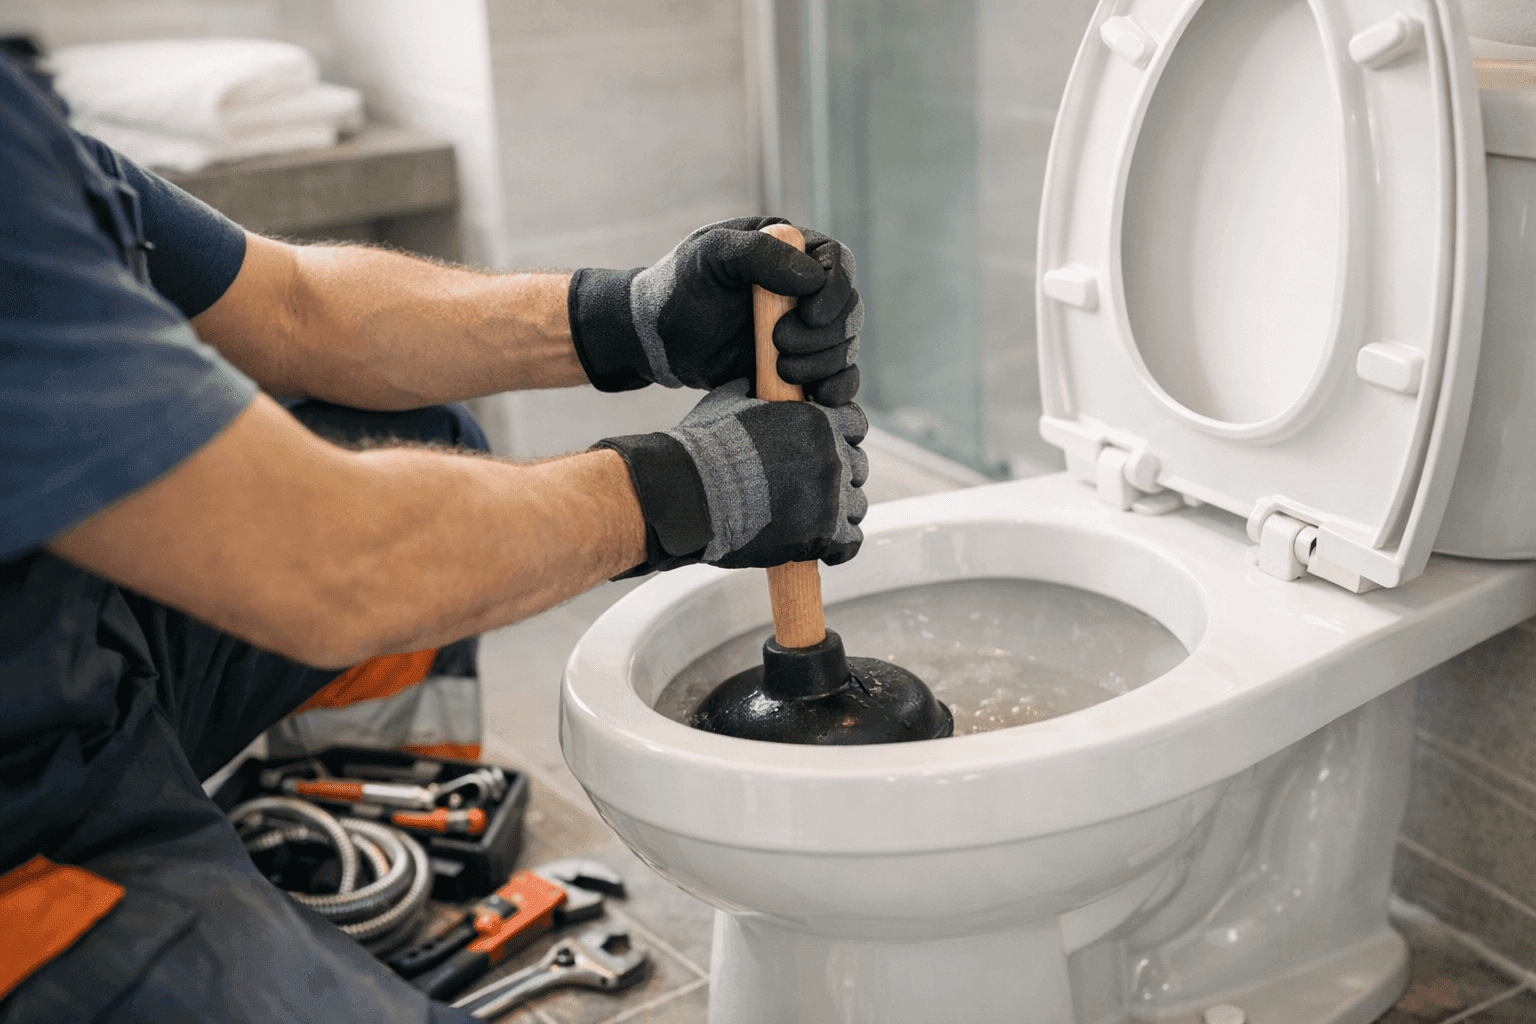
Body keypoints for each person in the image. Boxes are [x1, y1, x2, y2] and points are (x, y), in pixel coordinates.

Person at [0, 47, 867, 1024]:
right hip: (17, 850)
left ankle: (342, 842)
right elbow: (331, 570)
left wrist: (628, 319)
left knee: (420, 440)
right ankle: (216, 929)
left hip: (60, 676)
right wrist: (685, 488)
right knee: (392, 526)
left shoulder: (23, 137)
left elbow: (292, 307)